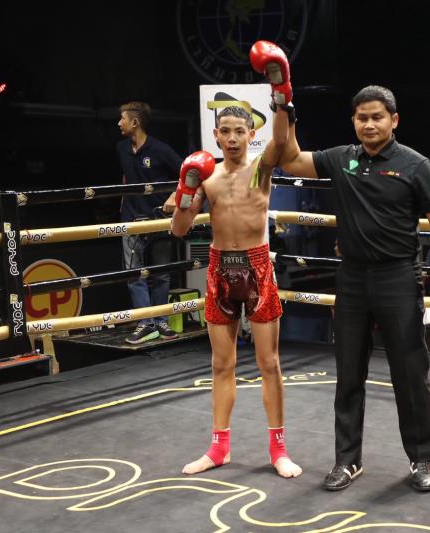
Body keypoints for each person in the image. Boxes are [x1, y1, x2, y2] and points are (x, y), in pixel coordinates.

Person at [278, 85, 430, 492]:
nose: (369, 124)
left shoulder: (416, 165)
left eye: (377, 117)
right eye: (362, 117)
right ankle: (347, 460)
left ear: (394, 120)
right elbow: (289, 159)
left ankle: (422, 459)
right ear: (353, 121)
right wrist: (286, 111)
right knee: (348, 373)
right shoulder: (341, 158)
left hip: (398, 277)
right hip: (353, 278)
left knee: (410, 373)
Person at [168, 40, 302, 478]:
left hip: (257, 266)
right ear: (216, 135)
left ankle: (278, 450)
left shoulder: (261, 168)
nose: (230, 138)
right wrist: (186, 191)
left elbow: (281, 141)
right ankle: (218, 448)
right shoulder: (205, 177)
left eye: (238, 131)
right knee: (221, 364)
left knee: (269, 363)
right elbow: (179, 229)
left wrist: (281, 92)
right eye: (223, 131)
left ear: (249, 134)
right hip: (219, 269)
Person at [117, 101, 182, 344]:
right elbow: (127, 176)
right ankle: (146, 323)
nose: (119, 123)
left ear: (135, 122)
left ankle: (161, 320)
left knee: (161, 274)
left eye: (122, 119)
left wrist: (174, 196)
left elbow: (187, 173)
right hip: (131, 220)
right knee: (134, 274)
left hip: (158, 220)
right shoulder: (121, 148)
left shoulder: (161, 150)